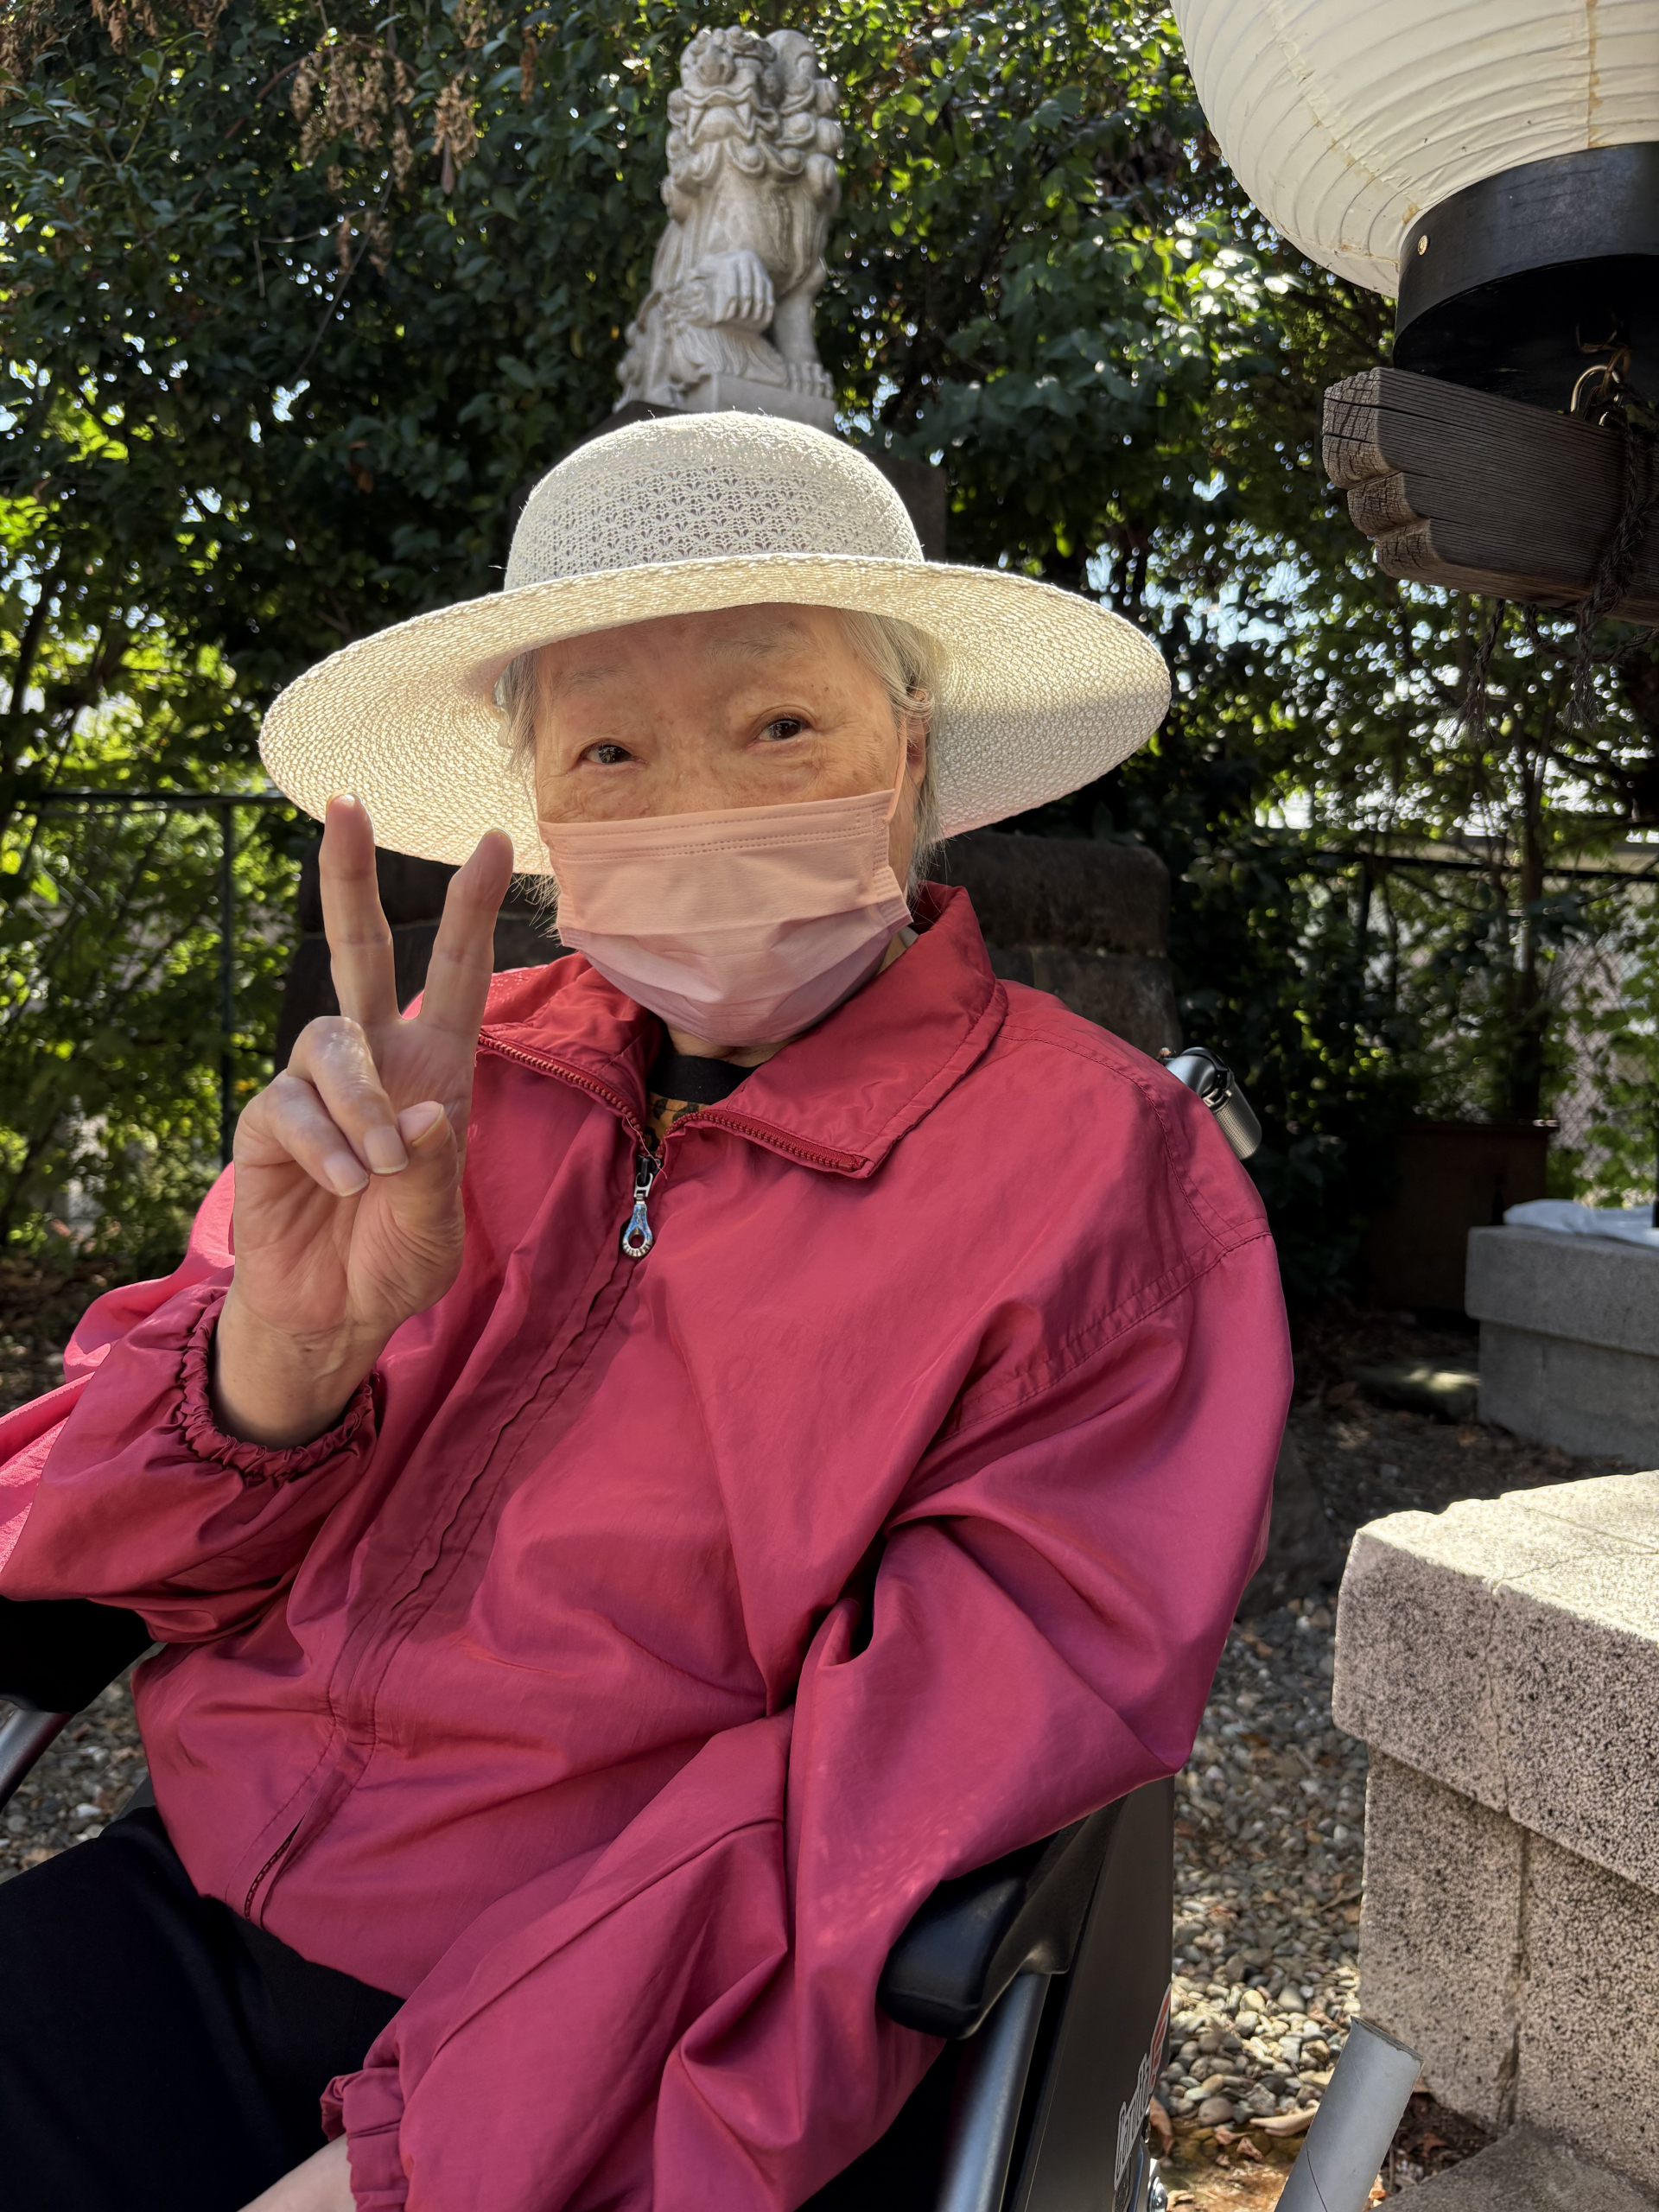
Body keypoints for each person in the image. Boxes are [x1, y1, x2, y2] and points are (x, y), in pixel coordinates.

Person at [0, 414, 1291, 2212]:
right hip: (205, 1909)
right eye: (610, 748)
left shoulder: (1102, 1178)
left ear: (909, 750)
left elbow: (899, 1798)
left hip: (643, 2056)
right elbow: (85, 1539)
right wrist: (280, 1360)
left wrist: (420, 2159)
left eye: (782, 727)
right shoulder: (433, 1085)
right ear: (539, 806)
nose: (703, 802)